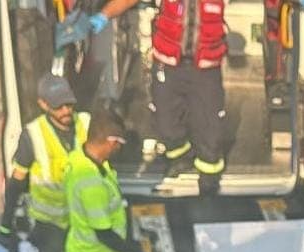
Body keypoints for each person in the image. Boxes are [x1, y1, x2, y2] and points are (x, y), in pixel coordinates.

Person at [85, 0, 229, 198]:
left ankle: (209, 177)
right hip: (167, 65)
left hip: (206, 68)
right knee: (165, 121)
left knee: (209, 127)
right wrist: (103, 16)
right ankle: (180, 156)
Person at [0, 74, 90, 252]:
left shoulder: (85, 123)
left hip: (79, 227)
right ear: (43, 104)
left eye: (69, 105)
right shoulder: (33, 135)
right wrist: (5, 227)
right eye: (59, 106)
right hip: (44, 229)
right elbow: (16, 184)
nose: (66, 112)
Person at [64, 109, 153, 252]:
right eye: (119, 144)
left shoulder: (81, 156)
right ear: (111, 142)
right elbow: (104, 235)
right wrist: (136, 251)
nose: (119, 149)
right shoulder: (91, 183)